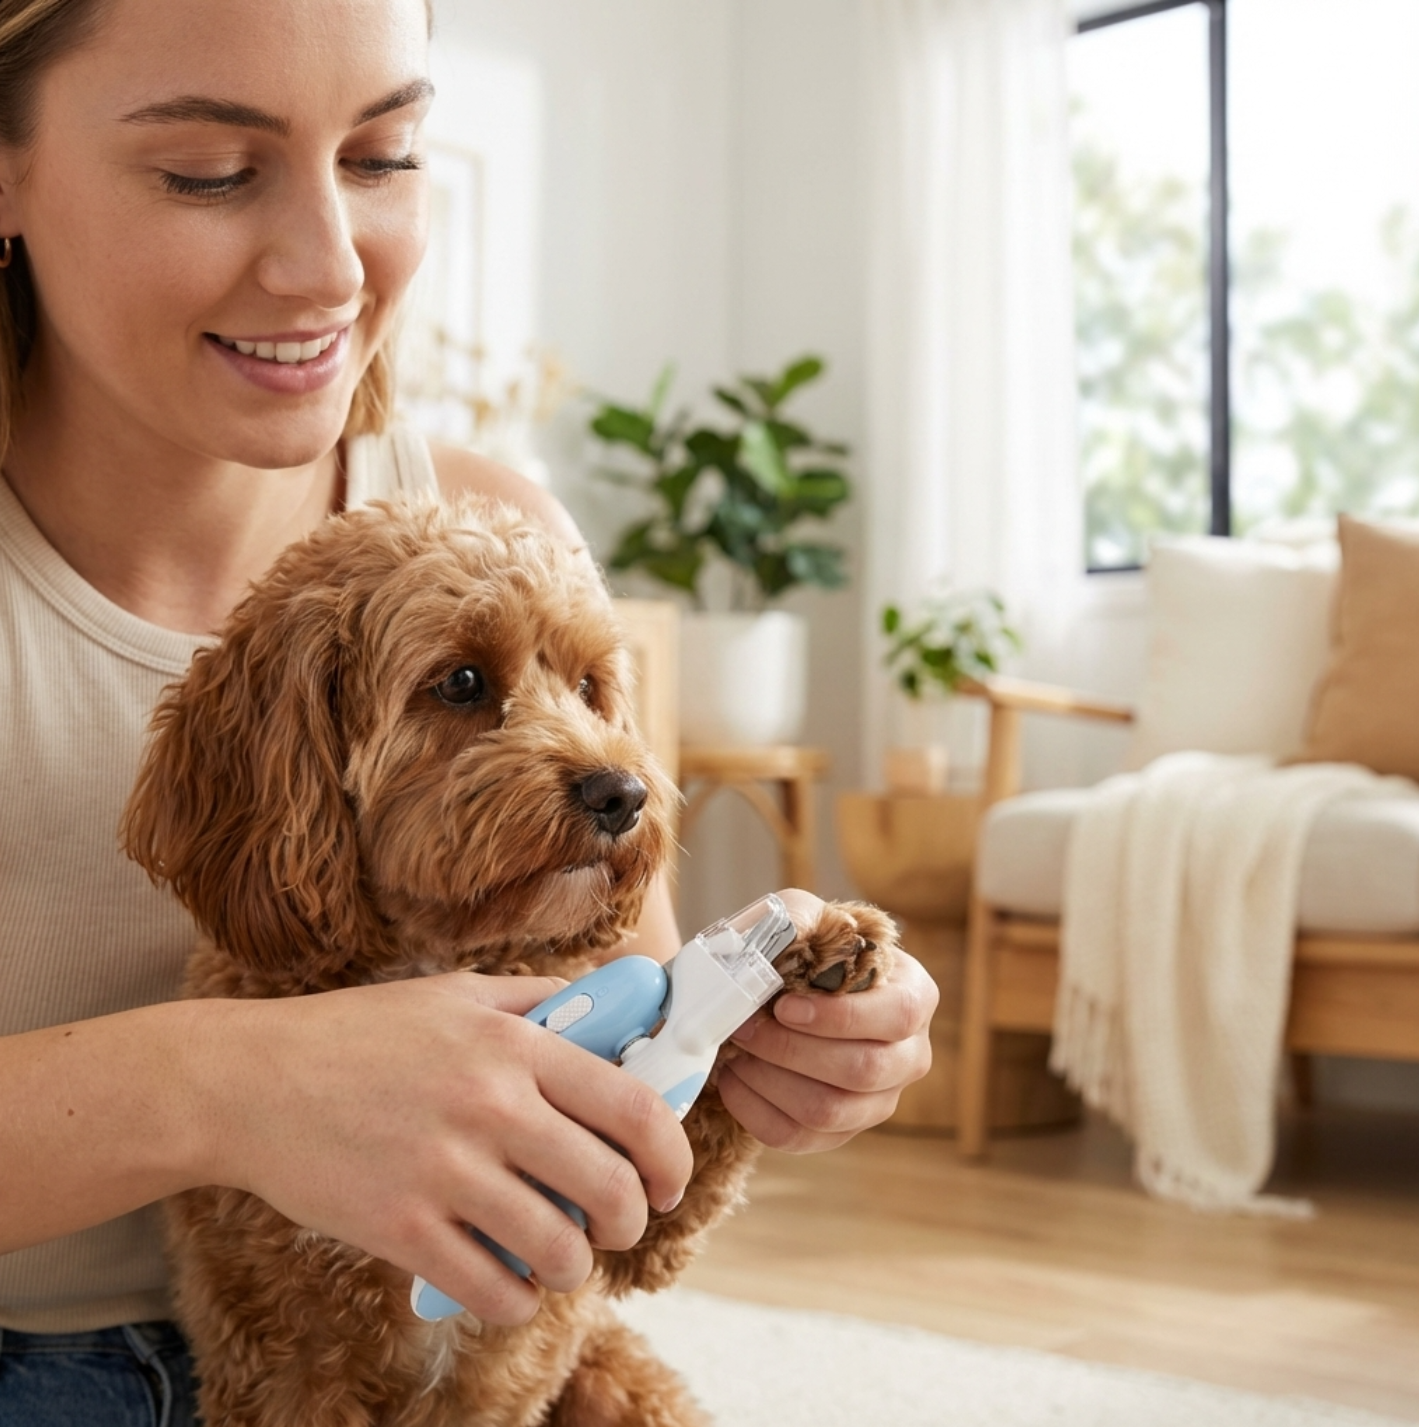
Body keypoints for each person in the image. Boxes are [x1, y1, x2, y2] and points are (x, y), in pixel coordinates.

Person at [0, 0, 938, 1419]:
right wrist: (215, 1086)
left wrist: (785, 1053)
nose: (327, 265)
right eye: (207, 169)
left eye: (385, 154)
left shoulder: (502, 527)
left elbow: (630, 1027)